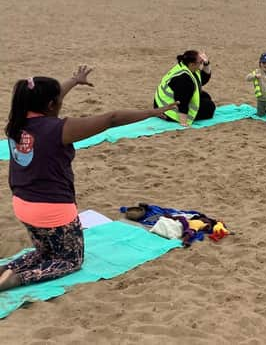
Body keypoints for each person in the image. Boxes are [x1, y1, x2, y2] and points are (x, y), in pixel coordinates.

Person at [1, 66, 176, 291]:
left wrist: (74, 81)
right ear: (51, 105)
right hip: (52, 210)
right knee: (70, 261)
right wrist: (152, 112)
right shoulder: (58, 129)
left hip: (22, 205)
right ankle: (19, 279)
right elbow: (111, 119)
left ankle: (6, 268)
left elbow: (48, 100)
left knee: (44, 252)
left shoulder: (16, 122)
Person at [154, 50, 216, 127]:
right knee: (209, 107)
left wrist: (207, 63)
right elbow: (182, 102)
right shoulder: (184, 80)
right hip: (166, 109)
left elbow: (203, 79)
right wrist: (184, 123)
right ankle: (165, 115)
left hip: (162, 102)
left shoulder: (186, 67)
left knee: (205, 96)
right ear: (192, 64)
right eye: (200, 62)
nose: (201, 64)